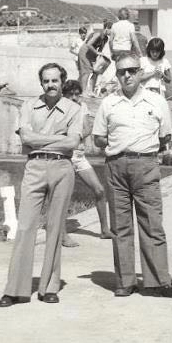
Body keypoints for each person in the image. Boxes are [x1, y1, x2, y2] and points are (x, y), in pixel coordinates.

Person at [91, 54, 172, 300]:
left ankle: (158, 282)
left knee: (152, 225)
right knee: (120, 227)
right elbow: (99, 138)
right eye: (122, 71)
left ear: (140, 72)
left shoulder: (156, 101)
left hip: (146, 165)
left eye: (132, 70)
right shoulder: (108, 103)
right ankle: (125, 281)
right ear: (117, 75)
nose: (127, 75)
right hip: (116, 166)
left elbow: (165, 136)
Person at [0, 63, 83, 307]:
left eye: (55, 80)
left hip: (62, 168)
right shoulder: (28, 106)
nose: (50, 85)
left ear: (62, 82)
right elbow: (26, 138)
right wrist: (59, 139)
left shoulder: (74, 109)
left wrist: (40, 141)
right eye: (46, 81)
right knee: (25, 227)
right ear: (41, 83)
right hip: (34, 167)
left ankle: (49, 287)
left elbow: (73, 142)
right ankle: (14, 289)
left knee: (55, 228)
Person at [59, 80, 113, 248]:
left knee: (99, 190)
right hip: (64, 156)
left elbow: (88, 127)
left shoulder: (82, 107)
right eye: (71, 94)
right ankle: (62, 235)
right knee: (63, 197)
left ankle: (105, 230)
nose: (74, 97)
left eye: (77, 94)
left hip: (79, 155)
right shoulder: (60, 108)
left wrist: (77, 136)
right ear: (64, 94)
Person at [78, 20, 112, 97]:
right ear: (106, 28)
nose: (111, 32)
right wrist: (96, 53)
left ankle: (91, 91)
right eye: (111, 30)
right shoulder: (98, 34)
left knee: (93, 72)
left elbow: (100, 50)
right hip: (85, 52)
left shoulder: (106, 38)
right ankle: (83, 92)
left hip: (92, 54)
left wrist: (98, 59)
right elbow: (89, 44)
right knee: (86, 72)